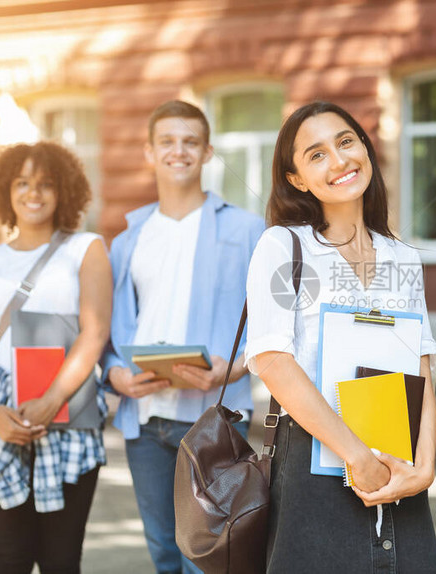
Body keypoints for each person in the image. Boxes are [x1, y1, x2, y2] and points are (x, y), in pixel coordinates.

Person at [244, 101, 436, 573]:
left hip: (398, 454)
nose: (339, 161)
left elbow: (421, 365)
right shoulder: (284, 246)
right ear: (296, 179)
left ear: (366, 149)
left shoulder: (402, 257)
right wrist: (355, 455)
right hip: (316, 458)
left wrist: (425, 467)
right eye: (315, 154)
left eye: (346, 141)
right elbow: (272, 360)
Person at [100, 100, 265, 574]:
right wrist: (116, 377)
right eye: (167, 141)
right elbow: (110, 332)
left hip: (214, 419)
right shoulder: (127, 239)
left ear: (208, 151)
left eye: (190, 141)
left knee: (210, 558)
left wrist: (231, 369)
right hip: (145, 420)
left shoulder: (247, 229)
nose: (179, 151)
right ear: (150, 153)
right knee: (164, 555)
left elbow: (273, 325)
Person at [0, 141, 112, 573]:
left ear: (63, 190)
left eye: (46, 183)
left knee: (60, 561)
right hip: (2, 418)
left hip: (68, 416)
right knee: (8, 560)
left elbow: (96, 331)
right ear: (5, 192)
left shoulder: (86, 248)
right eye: (22, 183)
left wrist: (52, 401)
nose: (34, 193)